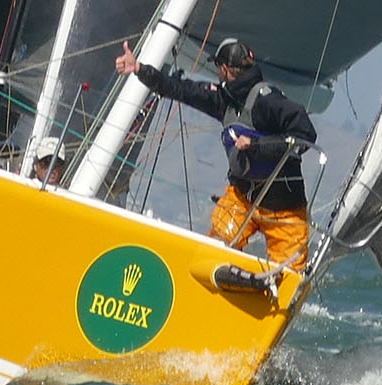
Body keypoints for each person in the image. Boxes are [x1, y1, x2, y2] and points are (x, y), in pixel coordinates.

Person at [117, 36, 316, 303]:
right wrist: (140, 70)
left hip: (284, 207)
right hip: (242, 198)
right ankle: (214, 302)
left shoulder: (268, 101)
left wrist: (257, 146)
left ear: (224, 69)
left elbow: (305, 135)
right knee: (216, 249)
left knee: (290, 278)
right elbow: (180, 89)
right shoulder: (224, 99)